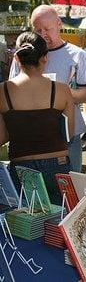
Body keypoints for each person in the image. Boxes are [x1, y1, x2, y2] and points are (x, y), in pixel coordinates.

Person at [9, 5, 86, 172]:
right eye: (38, 30)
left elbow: (85, 94)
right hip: (31, 133)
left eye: (47, 29)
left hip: (67, 134)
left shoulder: (77, 55)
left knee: (70, 186)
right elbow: (13, 88)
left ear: (59, 24)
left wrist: (59, 94)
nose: (43, 34)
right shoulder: (24, 54)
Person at [0, 32, 74, 204]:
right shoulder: (62, 90)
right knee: (61, 222)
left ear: (17, 58)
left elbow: (2, 136)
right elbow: (68, 134)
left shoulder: (3, 91)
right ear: (45, 58)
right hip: (58, 163)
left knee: (27, 227)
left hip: (21, 165)